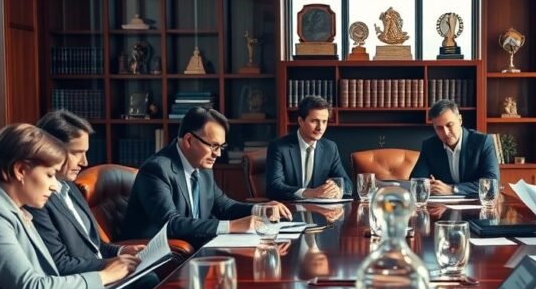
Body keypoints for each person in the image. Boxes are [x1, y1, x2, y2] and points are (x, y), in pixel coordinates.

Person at [0, 124, 137, 289]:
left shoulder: (10, 207)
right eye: (50, 175)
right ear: (20, 171)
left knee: (139, 283)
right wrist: (105, 276)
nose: (55, 186)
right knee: (141, 287)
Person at [122, 107, 291, 249]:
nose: (217, 154)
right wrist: (231, 226)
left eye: (221, 147)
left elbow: (224, 207)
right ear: (188, 140)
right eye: (213, 146)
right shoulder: (157, 169)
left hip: (197, 247)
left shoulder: (202, 167)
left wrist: (260, 209)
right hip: (159, 256)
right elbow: (171, 224)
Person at [28, 110, 145, 275]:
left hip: (104, 274)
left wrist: (121, 252)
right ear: (50, 150)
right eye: (77, 153)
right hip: (86, 285)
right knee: (149, 281)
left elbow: (96, 246)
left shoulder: (72, 187)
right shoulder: (37, 201)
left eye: (85, 152)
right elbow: (59, 265)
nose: (85, 162)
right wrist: (110, 265)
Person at [266, 95, 351, 201]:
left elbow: (347, 184)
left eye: (324, 121)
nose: (320, 127)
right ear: (301, 121)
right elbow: (274, 187)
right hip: (289, 210)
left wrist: (338, 190)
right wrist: (309, 193)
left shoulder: (330, 148)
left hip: (320, 211)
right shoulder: (279, 147)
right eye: (314, 121)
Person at [410, 99, 499, 196]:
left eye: (449, 125)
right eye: (439, 128)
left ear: (460, 120)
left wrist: (452, 189)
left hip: (477, 205)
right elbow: (415, 182)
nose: (446, 133)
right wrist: (428, 186)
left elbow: (492, 184)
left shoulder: (483, 142)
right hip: (442, 207)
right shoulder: (429, 146)